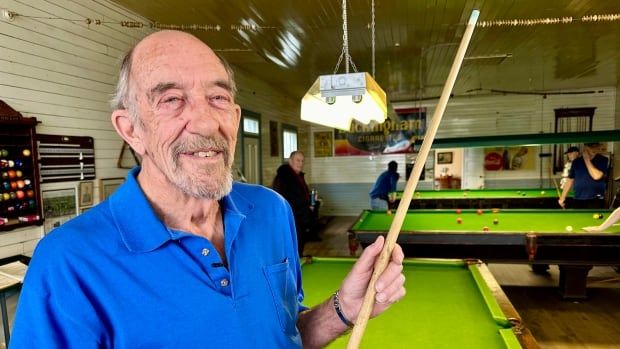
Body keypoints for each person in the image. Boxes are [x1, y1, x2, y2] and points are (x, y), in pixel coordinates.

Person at [11, 31, 406, 348]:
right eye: (171, 99)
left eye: (218, 98)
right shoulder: (67, 262)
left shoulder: (271, 211)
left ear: (234, 118)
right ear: (131, 129)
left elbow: (282, 336)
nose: (205, 123)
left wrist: (344, 308)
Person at [272, 150, 315, 256]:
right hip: (291, 219)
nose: (300, 163)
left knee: (299, 245)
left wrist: (308, 206)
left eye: (302, 161)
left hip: (300, 218)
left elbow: (299, 196)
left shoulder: (298, 176)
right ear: (290, 161)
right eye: (297, 160)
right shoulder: (283, 177)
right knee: (292, 247)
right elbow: (281, 200)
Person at [558, 142, 609, 209]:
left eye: (596, 146)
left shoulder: (603, 160)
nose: (594, 148)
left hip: (596, 199)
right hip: (578, 198)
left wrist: (586, 160)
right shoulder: (576, 162)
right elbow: (570, 180)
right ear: (585, 147)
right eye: (591, 146)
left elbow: (596, 176)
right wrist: (562, 198)